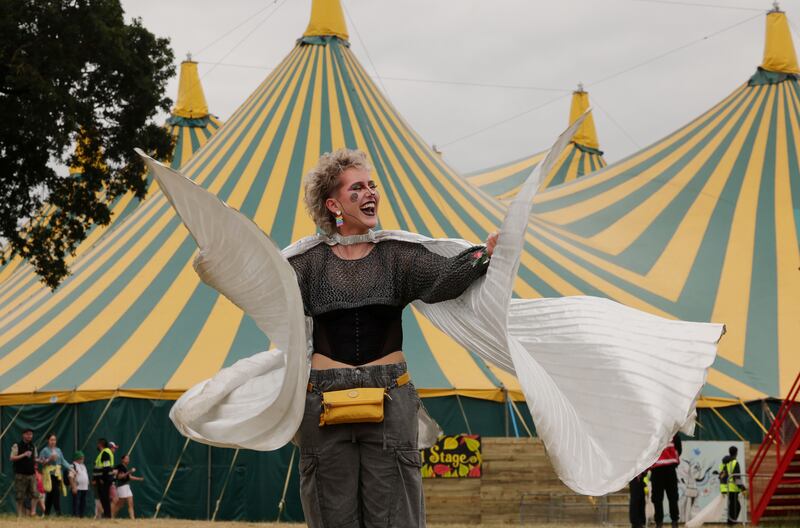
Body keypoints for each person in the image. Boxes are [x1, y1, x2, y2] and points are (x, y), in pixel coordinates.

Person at [138, 123, 724, 518]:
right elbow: (260, 282)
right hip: (323, 401)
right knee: (333, 514)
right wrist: (223, 257)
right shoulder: (303, 264)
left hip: (390, 397)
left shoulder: (399, 257)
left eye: (372, 184)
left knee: (397, 515)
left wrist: (488, 252)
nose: (370, 193)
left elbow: (449, 280)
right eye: (356, 188)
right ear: (332, 205)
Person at [650, 434, 682, 528]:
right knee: (669, 497)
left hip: (660, 470)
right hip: (667, 469)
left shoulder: (654, 432)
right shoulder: (672, 431)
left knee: (661, 498)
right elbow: (679, 449)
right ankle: (672, 522)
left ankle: (662, 523)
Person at [38, 432, 71, 515]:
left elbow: (62, 461)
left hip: (57, 475)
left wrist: (71, 468)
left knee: (50, 495)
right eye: (51, 440)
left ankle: (46, 513)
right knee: (55, 492)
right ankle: (58, 513)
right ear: (48, 440)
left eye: (54, 440)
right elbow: (41, 462)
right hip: (49, 475)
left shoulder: (58, 450)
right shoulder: (44, 450)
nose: (53, 441)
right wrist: (49, 459)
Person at [9, 427, 38, 516]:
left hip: (31, 474)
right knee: (20, 496)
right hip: (20, 474)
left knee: (35, 495)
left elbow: (35, 458)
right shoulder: (17, 445)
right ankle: (19, 515)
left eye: (31, 434)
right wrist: (23, 454)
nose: (30, 436)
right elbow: (11, 458)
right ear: (23, 435)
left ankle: (33, 512)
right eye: (28, 434)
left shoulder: (33, 446)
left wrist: (42, 460)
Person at [111, 454, 144, 518]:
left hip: (127, 487)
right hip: (122, 487)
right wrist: (129, 471)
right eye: (126, 459)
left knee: (131, 504)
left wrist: (139, 479)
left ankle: (132, 519)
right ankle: (111, 517)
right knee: (120, 505)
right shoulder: (120, 467)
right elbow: (120, 477)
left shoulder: (125, 467)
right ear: (122, 460)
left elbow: (129, 477)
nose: (128, 460)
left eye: (128, 459)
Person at [721, 446, 745, 525]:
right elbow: (736, 477)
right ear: (736, 453)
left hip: (728, 487)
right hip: (733, 488)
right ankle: (731, 522)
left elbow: (722, 475)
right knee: (736, 507)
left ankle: (731, 522)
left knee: (733, 506)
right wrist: (742, 488)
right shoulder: (735, 462)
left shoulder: (726, 462)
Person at [92, 438, 115, 518]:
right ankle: (107, 515)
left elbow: (106, 467)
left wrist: (102, 479)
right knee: (103, 498)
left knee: (104, 498)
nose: (97, 445)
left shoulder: (105, 453)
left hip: (104, 480)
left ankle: (107, 515)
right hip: (104, 479)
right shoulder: (104, 453)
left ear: (100, 444)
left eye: (98, 444)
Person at [70, 451, 89, 517]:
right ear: (77, 458)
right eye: (81, 458)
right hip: (77, 487)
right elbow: (70, 477)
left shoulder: (83, 466)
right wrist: (73, 487)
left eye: (83, 458)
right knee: (76, 503)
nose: (82, 459)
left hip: (84, 487)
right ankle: (75, 515)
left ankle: (81, 516)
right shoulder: (73, 465)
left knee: (83, 503)